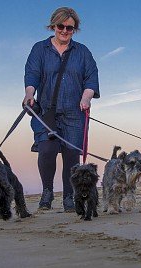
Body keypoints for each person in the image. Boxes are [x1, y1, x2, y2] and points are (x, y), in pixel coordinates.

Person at [23, 7, 100, 212]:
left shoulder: (82, 52)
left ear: (74, 29)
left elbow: (91, 78)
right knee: (46, 150)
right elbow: (32, 74)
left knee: (71, 156)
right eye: (61, 26)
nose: (65, 31)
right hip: (47, 112)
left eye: (70, 28)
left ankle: (69, 196)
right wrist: (29, 94)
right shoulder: (39, 49)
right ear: (53, 26)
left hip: (75, 112)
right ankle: (47, 192)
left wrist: (86, 97)